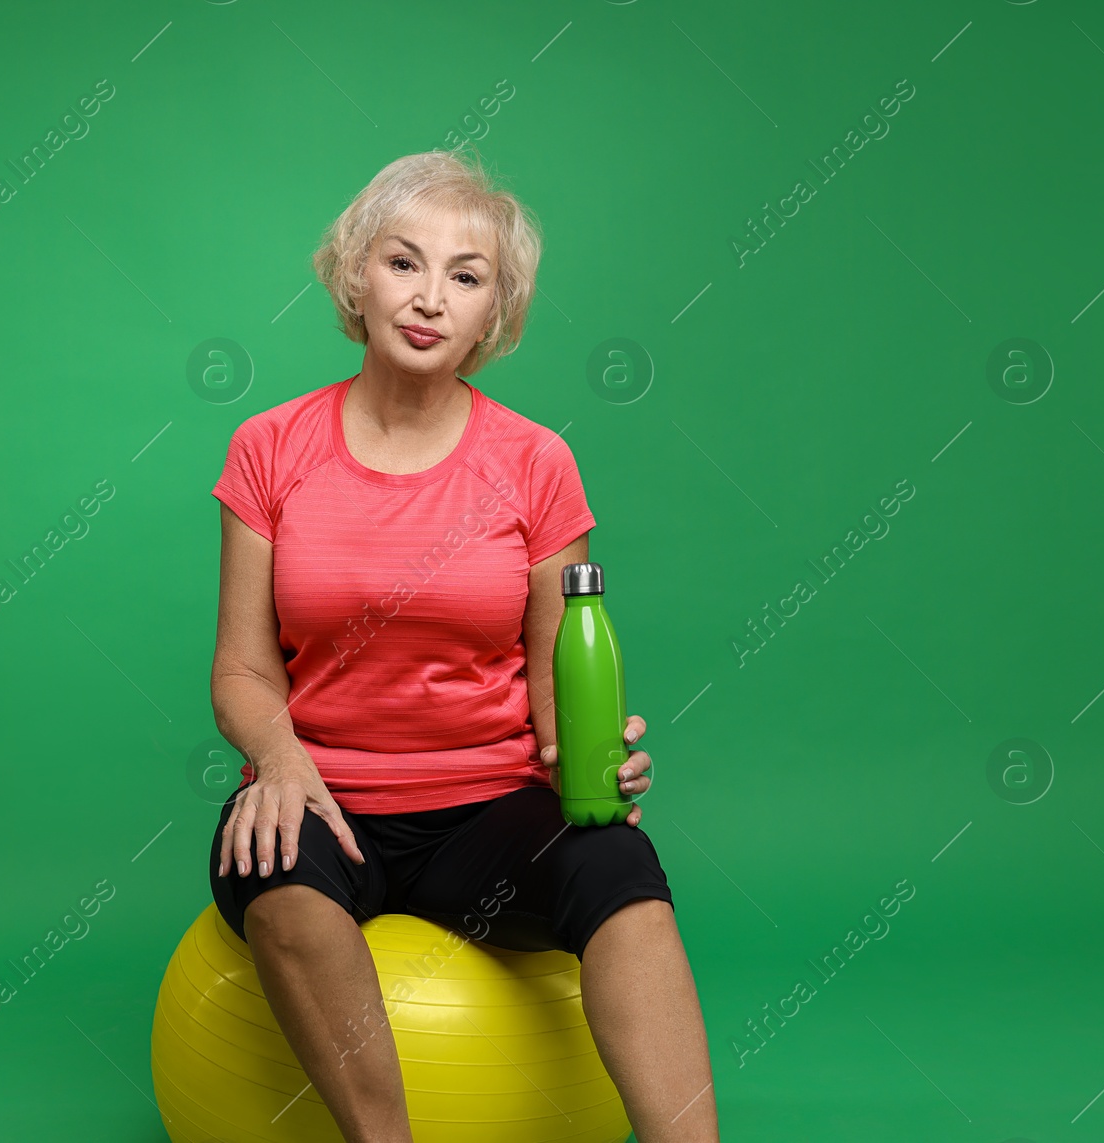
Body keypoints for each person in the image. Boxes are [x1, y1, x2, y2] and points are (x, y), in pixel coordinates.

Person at [207, 150, 718, 1142]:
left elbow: (555, 667)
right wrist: (275, 760)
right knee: (271, 864)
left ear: (496, 313)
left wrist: (592, 746)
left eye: (466, 276)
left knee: (620, 866)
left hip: (488, 806)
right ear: (356, 274)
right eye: (404, 262)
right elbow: (240, 666)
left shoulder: (535, 462)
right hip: (323, 794)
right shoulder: (269, 446)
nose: (430, 298)